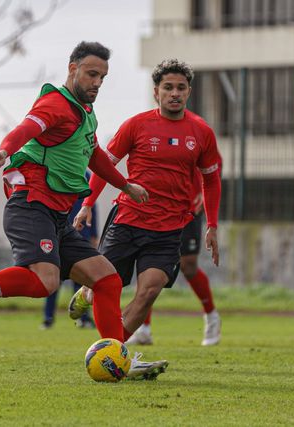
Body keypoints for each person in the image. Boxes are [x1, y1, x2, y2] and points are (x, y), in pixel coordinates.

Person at [0, 41, 168, 380]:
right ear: (72, 69)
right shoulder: (55, 104)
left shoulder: (85, 113)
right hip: (31, 205)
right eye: (91, 74)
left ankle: (118, 357)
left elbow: (94, 156)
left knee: (107, 280)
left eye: (103, 77)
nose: (97, 83)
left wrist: (125, 186)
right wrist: (4, 150)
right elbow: (26, 129)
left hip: (58, 216)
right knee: (44, 282)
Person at [69, 58, 222, 346]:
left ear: (189, 92)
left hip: (168, 230)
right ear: (156, 92)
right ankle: (88, 293)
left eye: (181, 88)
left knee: (149, 291)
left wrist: (212, 225)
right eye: (168, 87)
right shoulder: (137, 125)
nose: (174, 93)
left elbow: (211, 180)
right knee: (105, 286)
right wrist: (87, 204)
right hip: (128, 220)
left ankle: (114, 350)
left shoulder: (201, 132)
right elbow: (105, 166)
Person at [126, 179, 221, 346]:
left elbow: (210, 166)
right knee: (147, 264)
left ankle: (212, 316)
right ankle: (143, 329)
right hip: (156, 206)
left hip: (188, 205)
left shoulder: (199, 153)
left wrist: (201, 188)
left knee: (188, 265)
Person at [41, 172, 98, 330]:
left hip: (80, 236)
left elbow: (92, 206)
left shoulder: (86, 176)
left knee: (81, 281)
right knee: (53, 280)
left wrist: (93, 235)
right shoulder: (56, 171)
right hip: (59, 235)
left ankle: (84, 318)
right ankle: (48, 318)